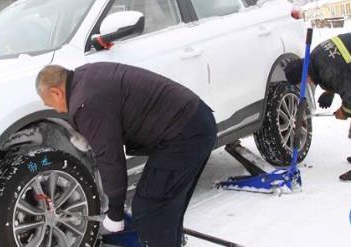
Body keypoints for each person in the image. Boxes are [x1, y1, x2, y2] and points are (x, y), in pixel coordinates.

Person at [35, 62, 216, 247]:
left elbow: (111, 160)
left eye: (52, 104)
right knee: (165, 208)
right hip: (194, 120)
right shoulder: (85, 76)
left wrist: (115, 213)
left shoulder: (85, 103)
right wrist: (88, 133)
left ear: (57, 92)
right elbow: (111, 111)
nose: (57, 111)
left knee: (151, 208)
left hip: (183, 134)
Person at [284, 32, 351, 181]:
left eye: (303, 81)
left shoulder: (328, 68)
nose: (306, 84)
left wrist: (345, 112)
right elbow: (342, 70)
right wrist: (330, 91)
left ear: (305, 73)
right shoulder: (316, 57)